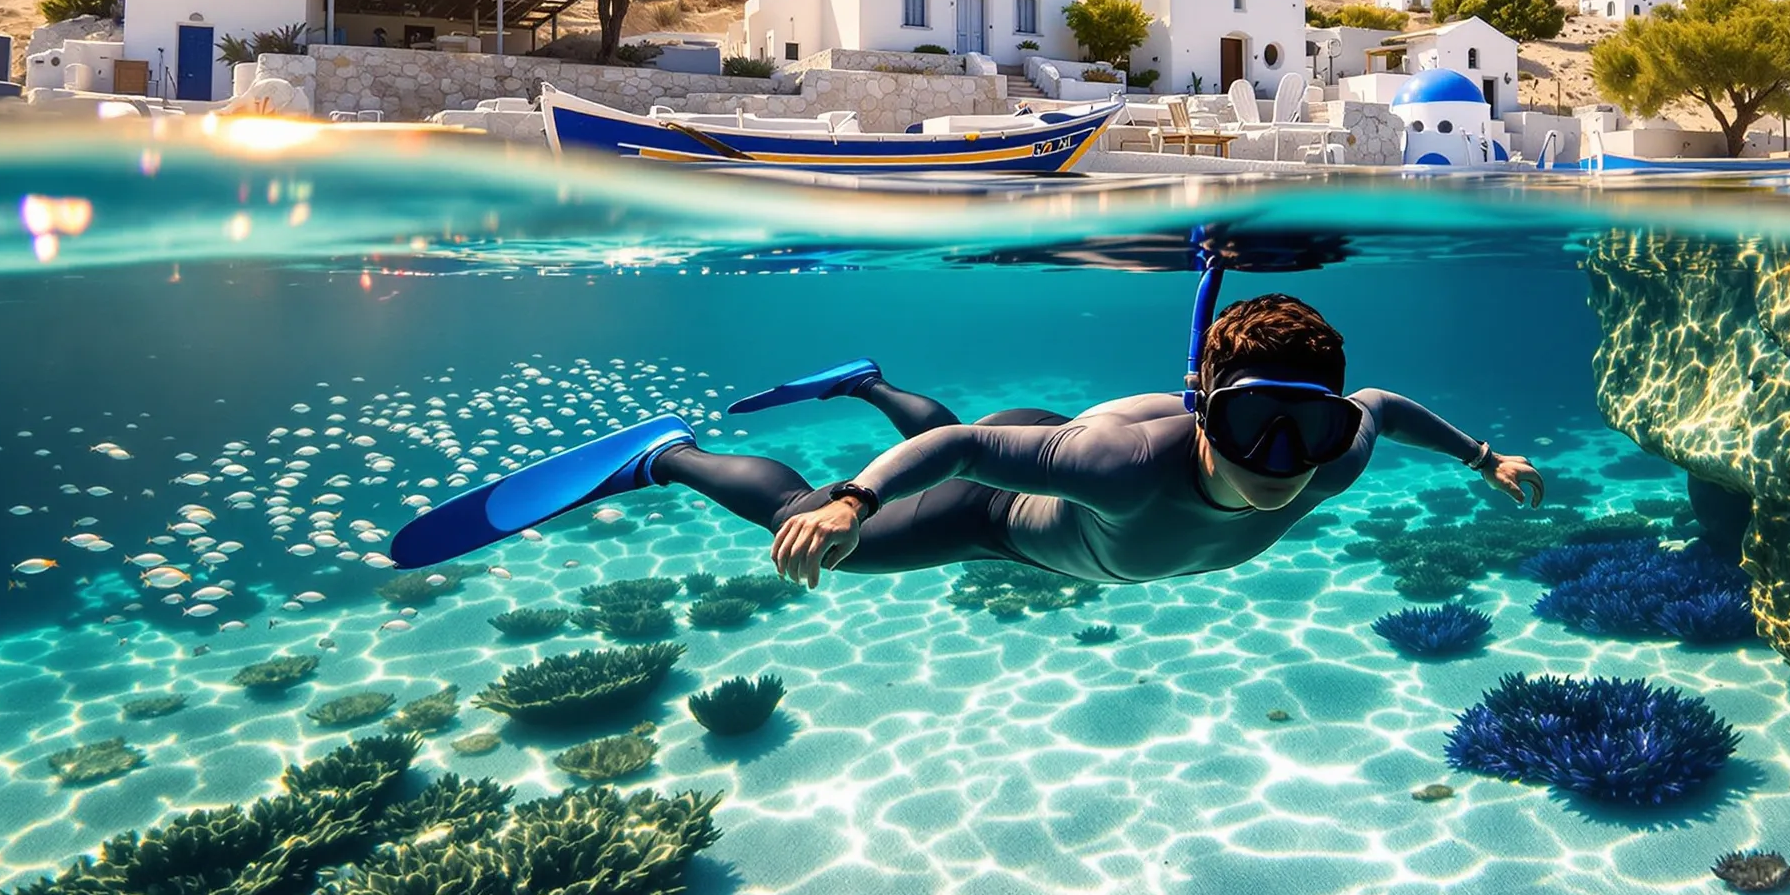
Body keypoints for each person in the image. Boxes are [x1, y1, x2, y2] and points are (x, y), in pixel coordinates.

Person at [391, 294, 1544, 587]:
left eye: (1307, 427)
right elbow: (958, 464)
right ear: (1208, 410)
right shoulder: (1120, 463)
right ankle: (665, 457)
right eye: (1252, 423)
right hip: (1007, 517)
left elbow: (1387, 406)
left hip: (1033, 464)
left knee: (971, 434)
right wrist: (844, 503)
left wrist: (1483, 458)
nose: (1275, 459)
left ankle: (870, 380)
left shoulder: (1343, 446)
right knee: (831, 531)